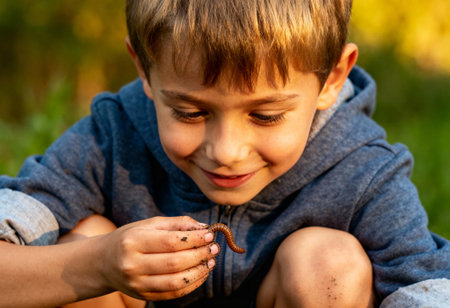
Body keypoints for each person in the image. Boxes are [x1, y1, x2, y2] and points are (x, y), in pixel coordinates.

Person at [0, 0, 449, 307]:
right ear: (145, 70)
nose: (226, 152)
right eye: (191, 112)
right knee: (83, 235)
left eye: (267, 115)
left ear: (332, 79)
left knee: (330, 259)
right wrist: (97, 264)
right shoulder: (109, 139)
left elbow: (428, 289)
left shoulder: (365, 171)